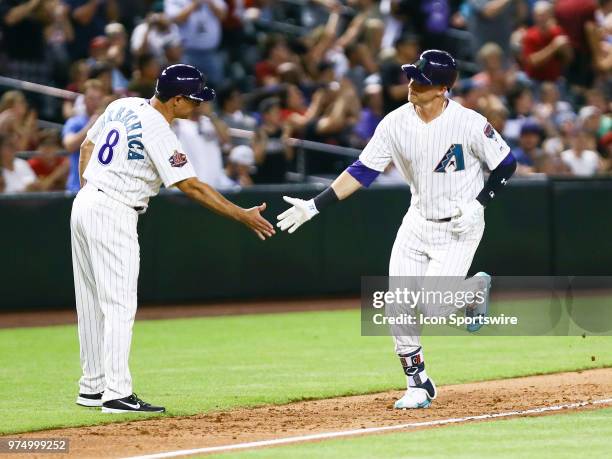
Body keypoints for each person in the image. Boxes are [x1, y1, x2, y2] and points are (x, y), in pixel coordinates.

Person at [277, 50, 517, 409]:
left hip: (459, 226)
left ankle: (472, 290)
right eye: (411, 77)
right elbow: (363, 170)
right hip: (417, 223)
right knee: (398, 306)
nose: (412, 85)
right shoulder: (394, 122)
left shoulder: (468, 122)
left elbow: (506, 164)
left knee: (433, 308)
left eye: (421, 81)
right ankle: (418, 383)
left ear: (442, 89)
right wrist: (315, 205)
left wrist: (479, 203)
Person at [71, 64, 274, 414]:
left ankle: (92, 387)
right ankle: (116, 392)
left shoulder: (123, 105)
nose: (197, 107)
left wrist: (90, 189)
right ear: (176, 99)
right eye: (193, 100)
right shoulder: (159, 130)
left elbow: (87, 146)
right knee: (119, 304)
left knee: (90, 303)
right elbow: (191, 186)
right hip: (115, 209)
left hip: (86, 203)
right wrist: (241, 214)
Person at [62, 79, 105, 192]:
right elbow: (69, 145)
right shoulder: (74, 122)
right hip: (77, 189)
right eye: (91, 98)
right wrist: (91, 125)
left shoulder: (109, 124)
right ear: (84, 100)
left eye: (98, 99)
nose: (95, 102)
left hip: (101, 190)